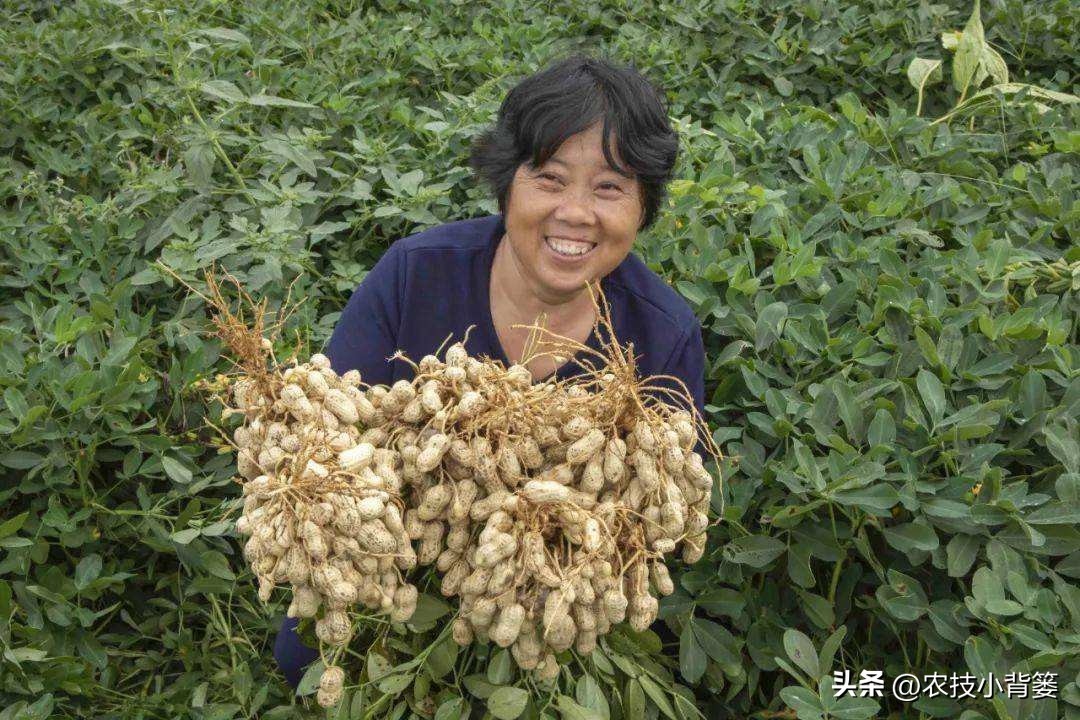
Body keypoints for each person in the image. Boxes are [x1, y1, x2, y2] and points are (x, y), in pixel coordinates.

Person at [273, 52, 705, 689]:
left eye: (610, 187)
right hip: (397, 558)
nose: (577, 213)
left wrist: (556, 552)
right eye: (551, 178)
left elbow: (658, 520)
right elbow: (326, 440)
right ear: (508, 185)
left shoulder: (662, 334)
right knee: (308, 659)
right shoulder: (415, 273)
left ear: (643, 208)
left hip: (547, 599)